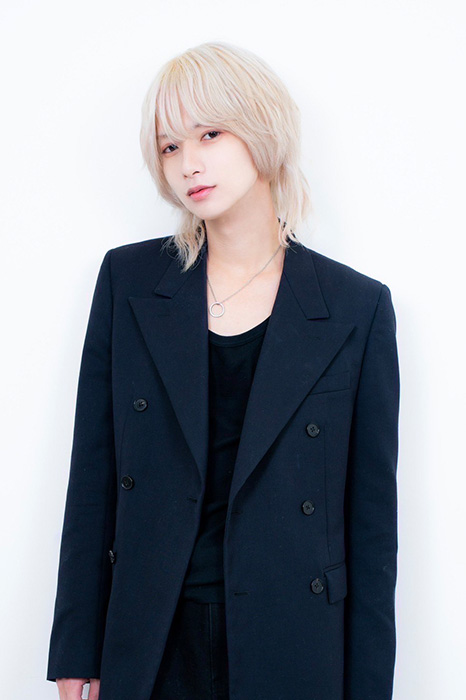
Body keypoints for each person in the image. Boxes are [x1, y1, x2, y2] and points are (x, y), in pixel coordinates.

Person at [46, 41, 400, 700]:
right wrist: (75, 651)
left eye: (209, 133)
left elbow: (372, 530)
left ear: (261, 128)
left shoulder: (356, 308)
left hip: (292, 641)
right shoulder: (129, 282)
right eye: (170, 146)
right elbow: (92, 476)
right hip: (152, 639)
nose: (188, 162)